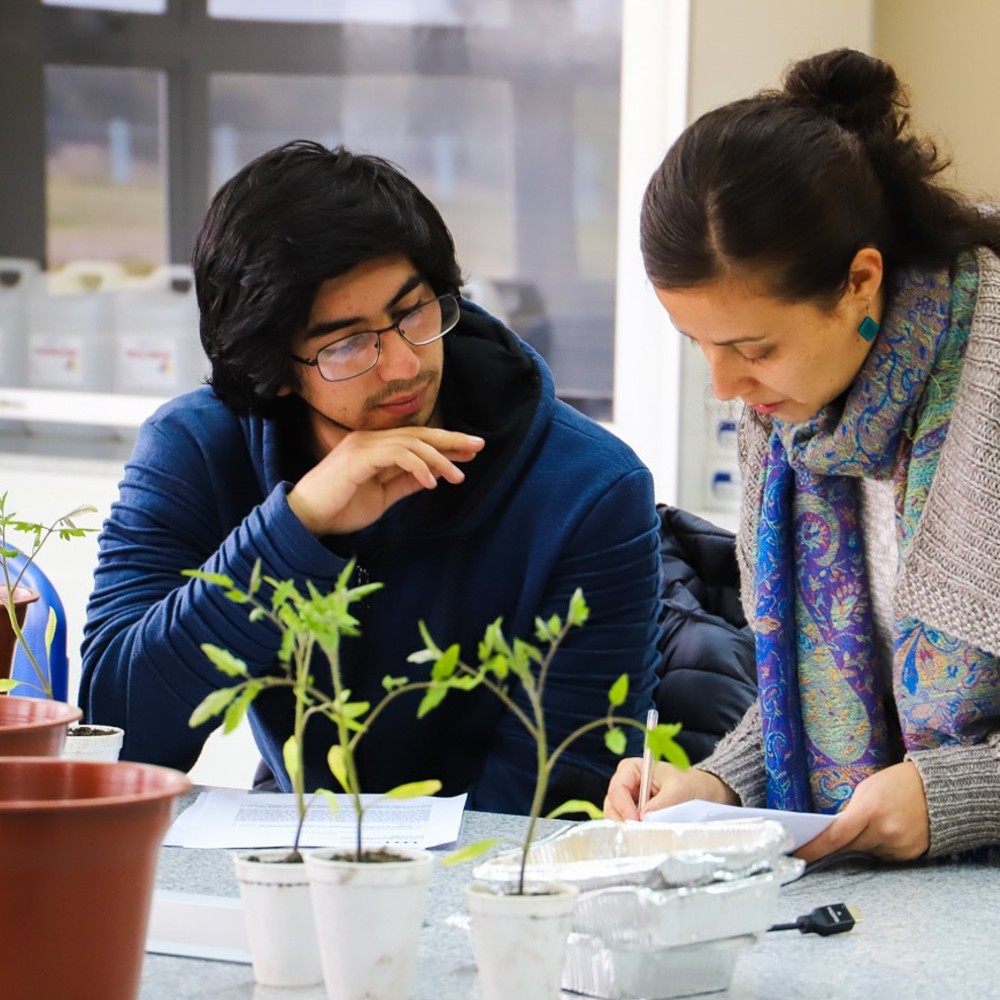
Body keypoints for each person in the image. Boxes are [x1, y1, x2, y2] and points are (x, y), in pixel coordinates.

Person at [79, 139, 667, 815]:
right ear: (270, 369)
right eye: (347, 343)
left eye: (413, 312)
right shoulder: (194, 447)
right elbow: (118, 738)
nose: (402, 366)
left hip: (488, 878)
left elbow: (560, 794)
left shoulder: (589, 487)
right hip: (294, 843)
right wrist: (294, 529)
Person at [604, 48, 1000, 863]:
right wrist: (719, 786)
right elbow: (822, 684)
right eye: (698, 346)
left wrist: (960, 793)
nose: (723, 385)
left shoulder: (985, 379)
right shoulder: (789, 420)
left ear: (861, 281)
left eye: (751, 346)